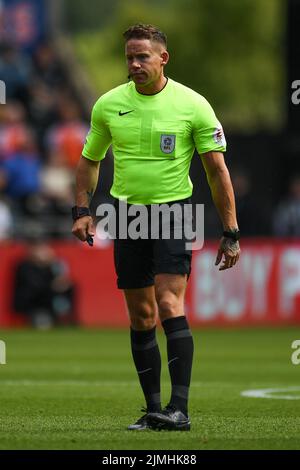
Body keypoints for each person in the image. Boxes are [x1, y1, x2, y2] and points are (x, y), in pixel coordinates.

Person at [72, 24, 240, 431]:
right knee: (140, 315)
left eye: (142, 56)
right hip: (127, 215)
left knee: (168, 304)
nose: (134, 64)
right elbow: (90, 160)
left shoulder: (193, 105)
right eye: (129, 56)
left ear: (163, 58)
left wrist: (231, 231)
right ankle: (153, 410)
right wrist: (80, 209)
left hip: (174, 212)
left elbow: (217, 171)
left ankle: (178, 409)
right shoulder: (108, 105)